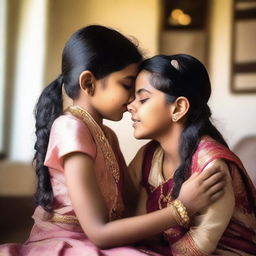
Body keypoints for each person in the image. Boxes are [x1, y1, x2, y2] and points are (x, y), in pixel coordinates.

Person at [0, 27, 225, 256]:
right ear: (88, 83)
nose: (131, 100)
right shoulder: (70, 128)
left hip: (98, 240)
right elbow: (99, 232)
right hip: (70, 241)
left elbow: (131, 200)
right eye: (127, 86)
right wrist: (181, 208)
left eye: (141, 95)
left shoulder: (107, 135)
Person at [127, 54, 256, 256]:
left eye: (142, 99)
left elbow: (198, 248)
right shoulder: (149, 155)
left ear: (178, 108)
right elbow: (126, 214)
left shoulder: (210, 165)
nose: (130, 106)